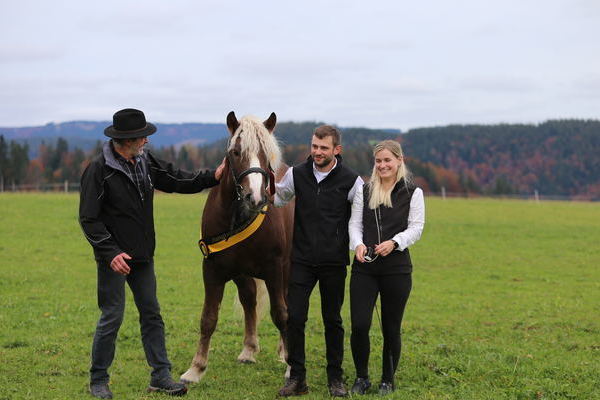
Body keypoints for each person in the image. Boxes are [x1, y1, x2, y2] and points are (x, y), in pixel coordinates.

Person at [79, 108, 225, 399]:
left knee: (152, 315)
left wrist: (213, 177)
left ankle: (160, 376)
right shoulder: (99, 171)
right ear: (127, 139)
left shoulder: (145, 162)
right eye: (142, 136)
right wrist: (111, 253)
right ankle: (98, 380)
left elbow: (175, 179)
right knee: (112, 317)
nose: (146, 140)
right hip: (115, 260)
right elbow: (89, 219)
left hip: (143, 256)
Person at [275, 125, 363, 397]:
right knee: (295, 318)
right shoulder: (297, 174)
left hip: (334, 262)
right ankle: (297, 378)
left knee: (332, 320)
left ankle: (335, 378)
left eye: (323, 148)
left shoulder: (352, 181)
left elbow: (357, 221)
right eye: (314, 146)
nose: (317, 152)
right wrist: (264, 187)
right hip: (300, 260)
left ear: (337, 150)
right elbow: (279, 198)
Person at [347, 140, 424, 395]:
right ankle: (361, 378)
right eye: (378, 161)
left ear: (399, 161)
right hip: (364, 268)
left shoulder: (413, 192)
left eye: (387, 160)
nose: (382, 165)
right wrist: (357, 244)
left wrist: (395, 242)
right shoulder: (365, 190)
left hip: (397, 269)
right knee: (359, 324)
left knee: (391, 327)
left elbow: (416, 227)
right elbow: (355, 224)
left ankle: (387, 379)